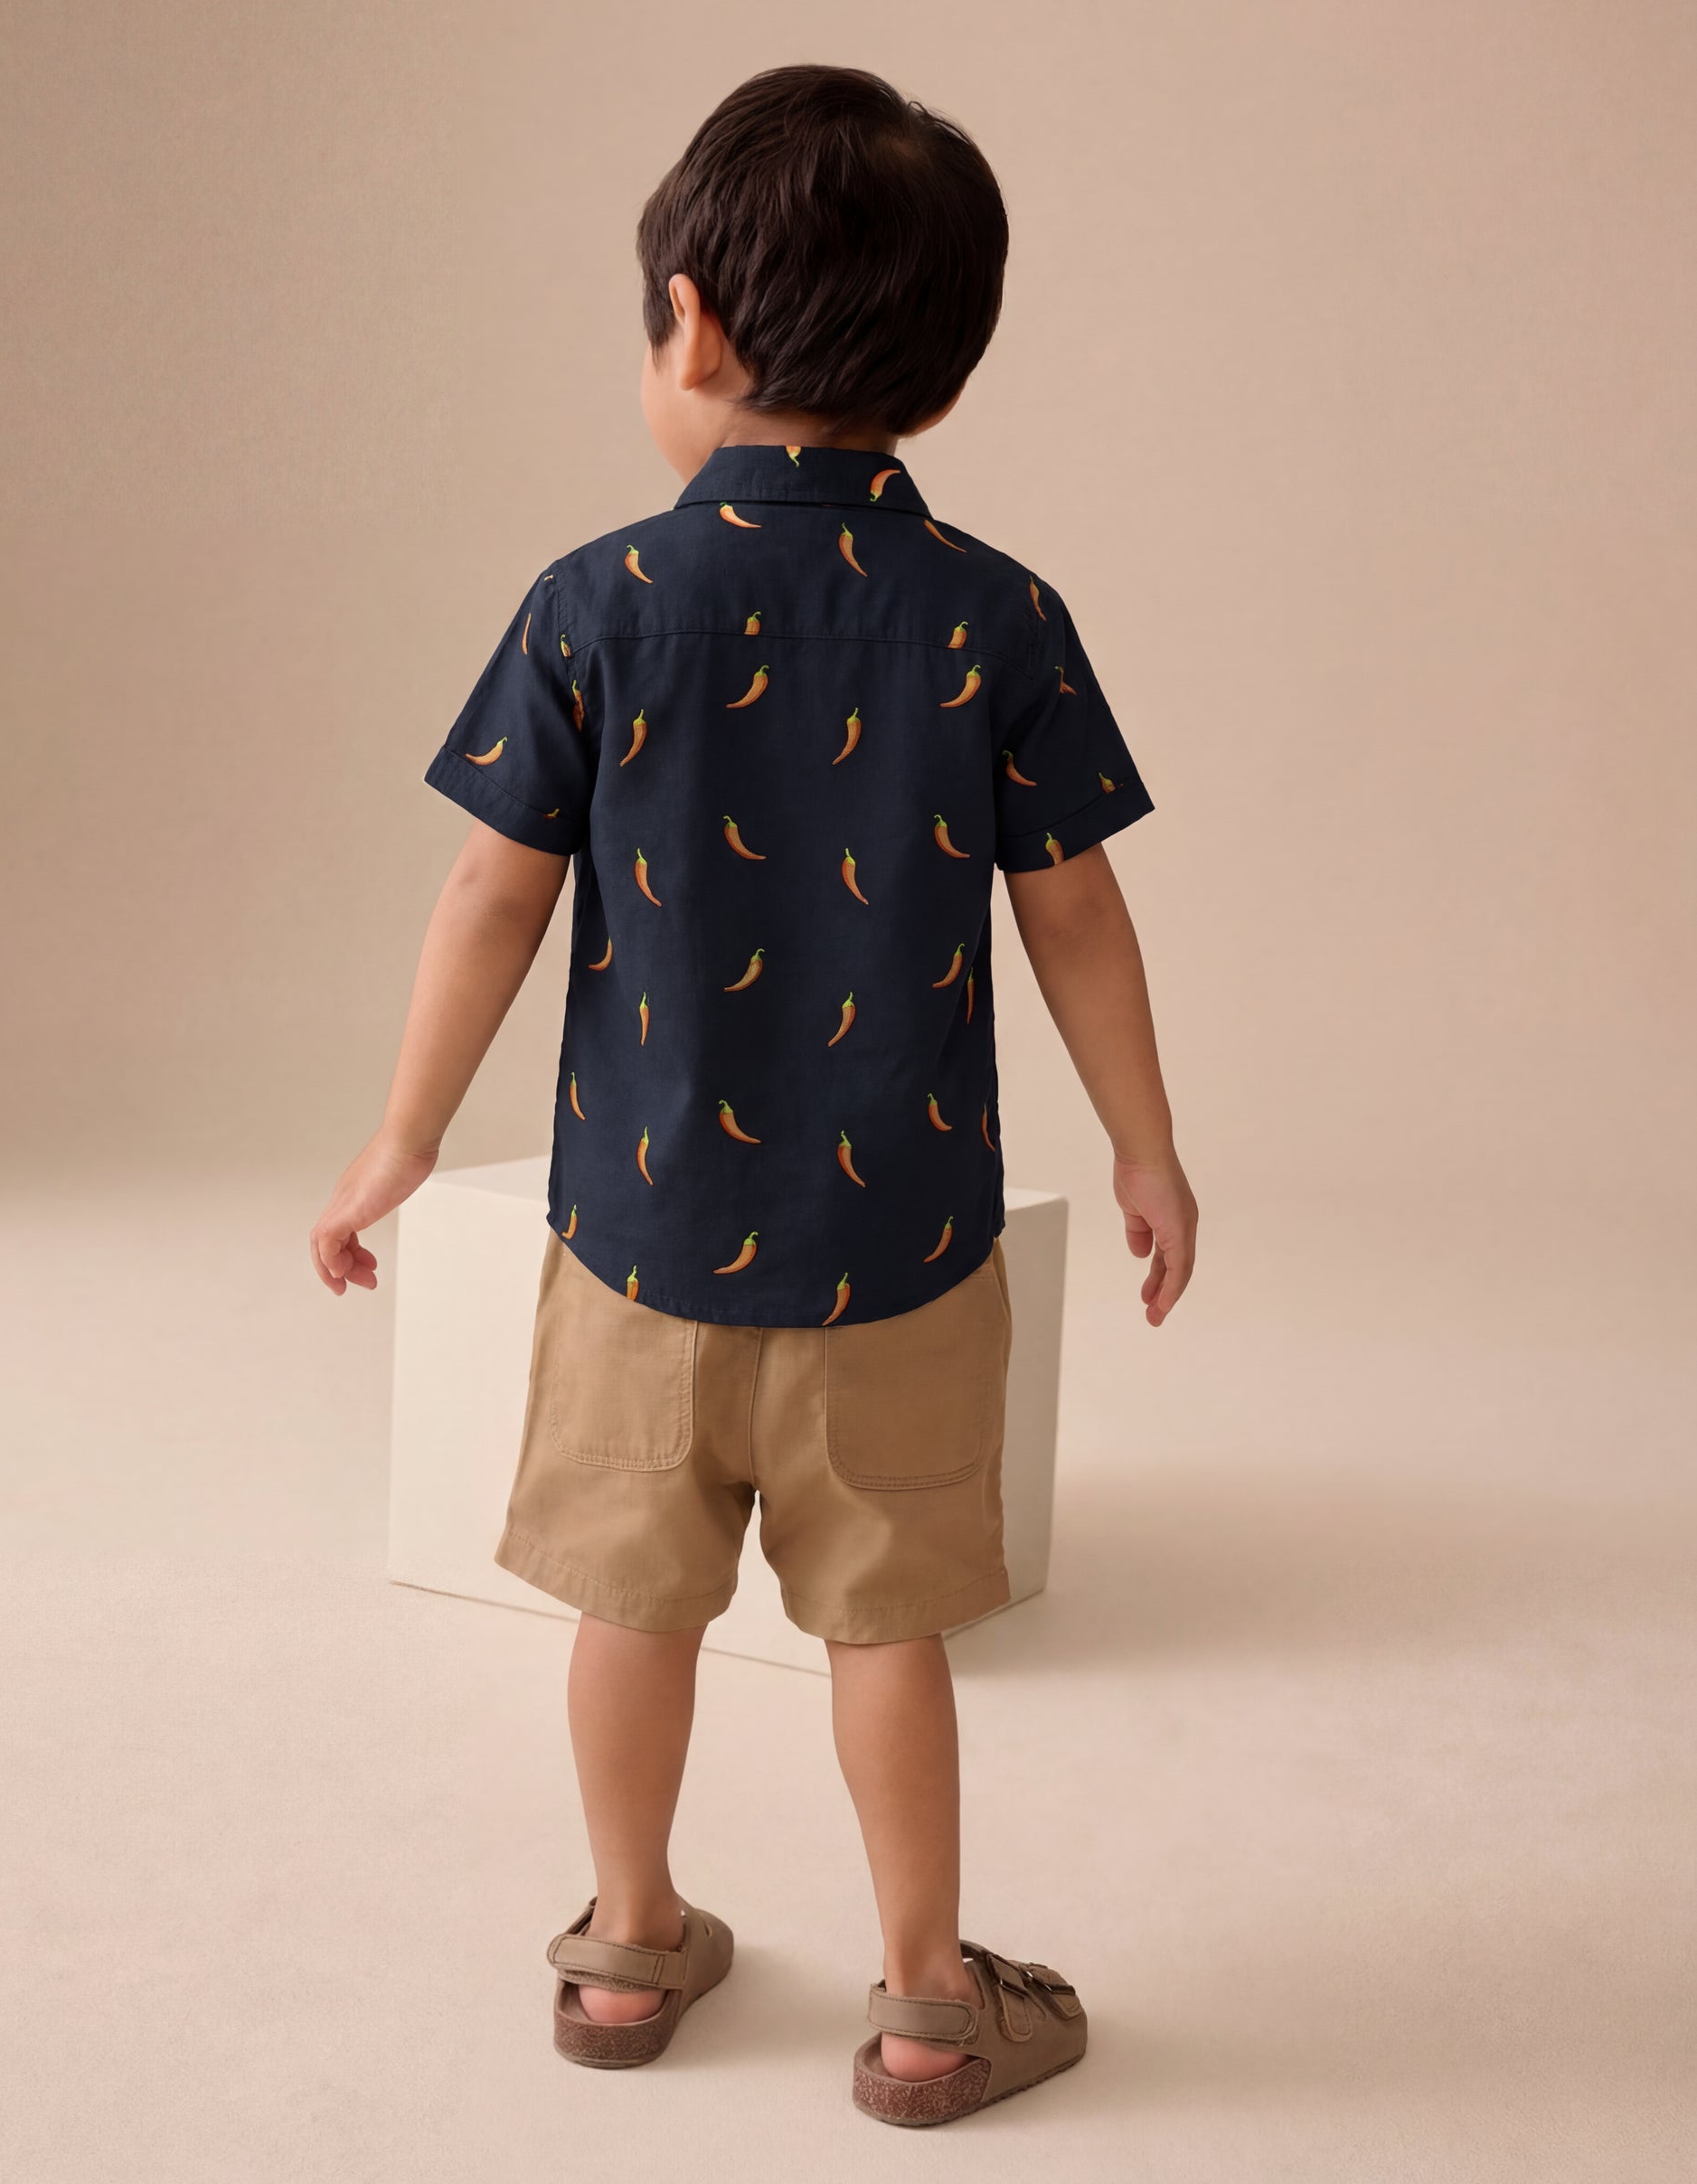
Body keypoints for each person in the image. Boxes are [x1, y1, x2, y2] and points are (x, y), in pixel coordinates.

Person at [310, 61, 1196, 2127]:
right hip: (898, 1250)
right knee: (886, 1630)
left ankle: (627, 1944)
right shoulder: (999, 615)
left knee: (635, 1602)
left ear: (691, 325)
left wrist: (402, 1136)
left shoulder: (596, 602)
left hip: (635, 1245)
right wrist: (1145, 1146)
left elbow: (486, 893)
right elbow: (1078, 915)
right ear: (944, 373)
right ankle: (917, 2003)